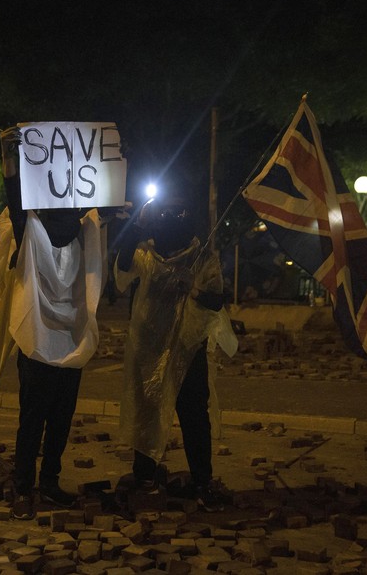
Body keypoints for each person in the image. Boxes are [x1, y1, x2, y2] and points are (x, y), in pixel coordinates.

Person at [0, 127, 108, 520]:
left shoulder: (88, 232)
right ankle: (23, 486)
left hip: (71, 341)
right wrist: (8, 156)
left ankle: (49, 482)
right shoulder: (31, 230)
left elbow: (113, 206)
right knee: (32, 419)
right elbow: (16, 200)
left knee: (61, 418)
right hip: (36, 340)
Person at [114, 195, 237, 512]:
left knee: (195, 416)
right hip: (149, 352)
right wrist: (135, 224)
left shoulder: (202, 257)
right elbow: (123, 264)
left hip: (187, 350)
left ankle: (202, 481)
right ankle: (145, 477)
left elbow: (216, 301)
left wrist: (192, 287)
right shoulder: (148, 254)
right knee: (148, 412)